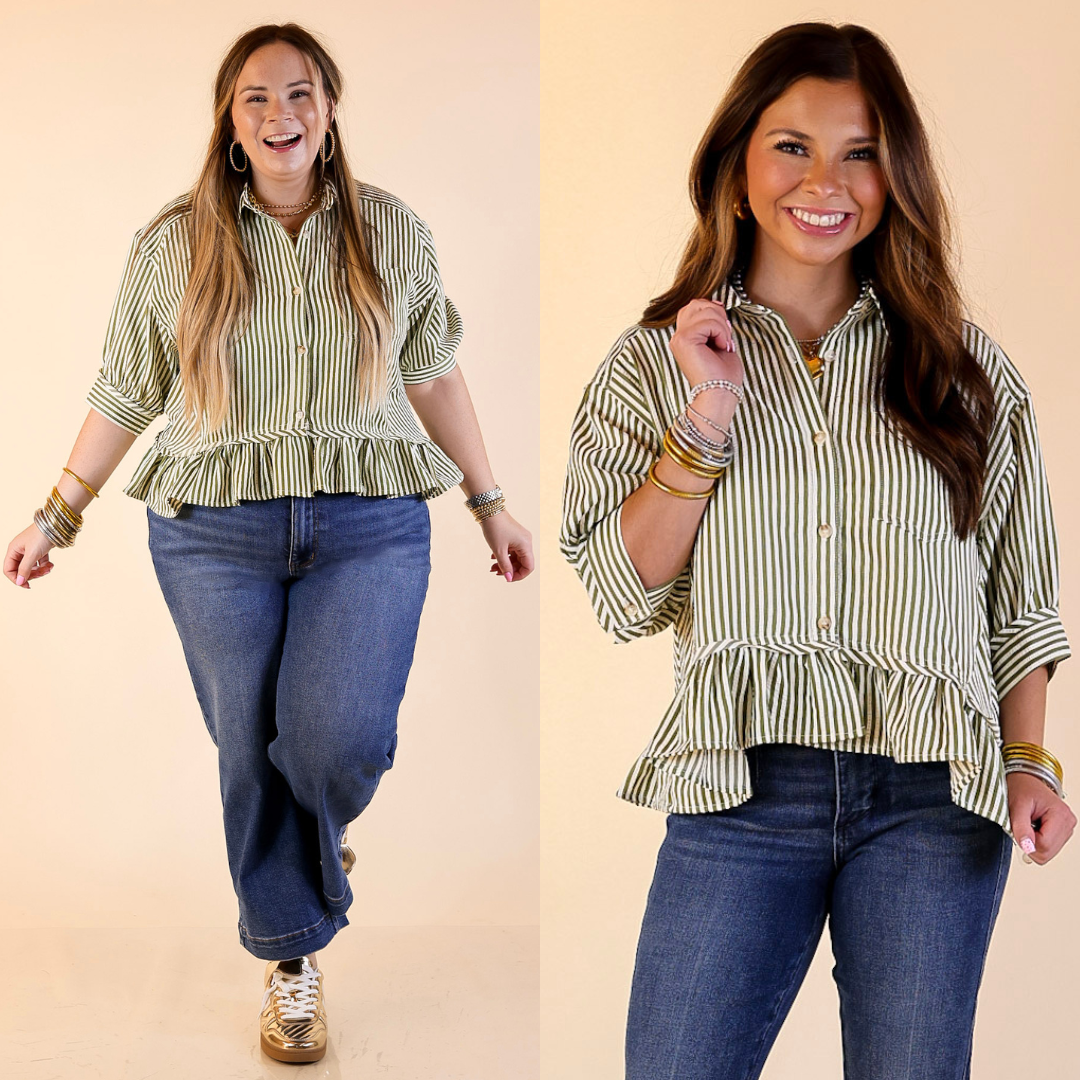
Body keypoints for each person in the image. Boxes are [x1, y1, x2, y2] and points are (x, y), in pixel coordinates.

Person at [4, 22, 533, 1065]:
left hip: (369, 524)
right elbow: (124, 392)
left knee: (338, 740)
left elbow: (433, 373)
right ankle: (292, 956)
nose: (279, 113)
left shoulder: (391, 232)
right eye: (256, 97)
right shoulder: (173, 243)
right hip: (212, 535)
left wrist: (489, 500)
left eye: (301, 93)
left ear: (331, 111)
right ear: (230, 119)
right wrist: (54, 514)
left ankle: (310, 841)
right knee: (250, 750)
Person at [560, 21, 1072, 1080]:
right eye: (792, 145)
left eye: (862, 150)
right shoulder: (653, 367)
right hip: (741, 794)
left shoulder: (966, 373)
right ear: (738, 168)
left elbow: (1020, 603)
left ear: (896, 177)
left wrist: (1030, 762)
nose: (825, 180)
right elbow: (621, 591)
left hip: (935, 804)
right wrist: (705, 421)